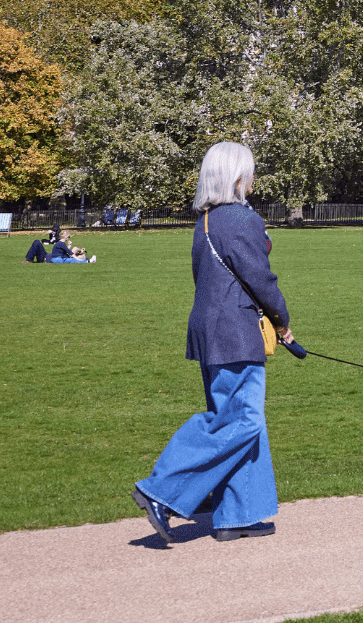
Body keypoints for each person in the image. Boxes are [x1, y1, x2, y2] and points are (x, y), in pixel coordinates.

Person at [134, 141, 293, 545]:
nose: (254, 178)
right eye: (251, 170)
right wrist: (283, 323)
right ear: (238, 176)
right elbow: (261, 281)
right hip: (235, 333)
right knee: (241, 420)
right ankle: (162, 490)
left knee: (240, 418)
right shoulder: (242, 220)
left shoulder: (205, 221)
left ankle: (236, 515)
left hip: (209, 329)